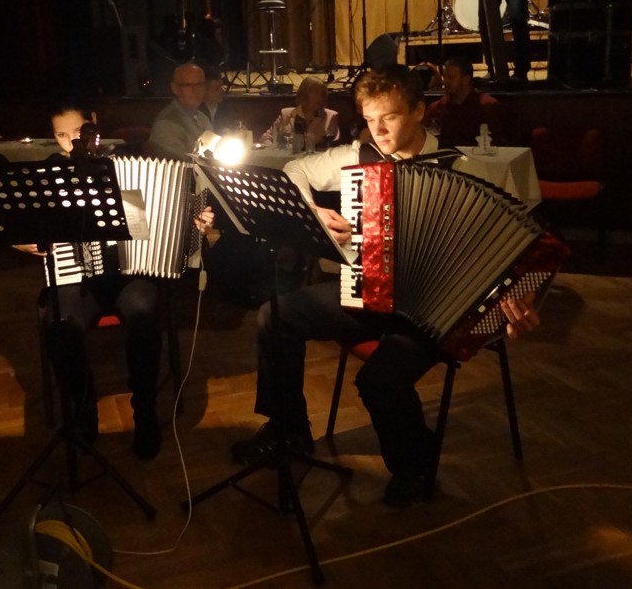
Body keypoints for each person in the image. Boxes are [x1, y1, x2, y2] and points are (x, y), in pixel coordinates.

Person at [230, 64, 540, 507]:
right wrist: (316, 211)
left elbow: (515, 247)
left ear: (418, 111)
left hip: (434, 313)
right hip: (368, 291)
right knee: (275, 316)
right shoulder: (358, 157)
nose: (377, 130)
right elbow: (295, 169)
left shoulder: (462, 167)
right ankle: (288, 428)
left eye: (389, 117)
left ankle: (415, 464)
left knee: (379, 379)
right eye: (369, 118)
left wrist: (518, 294)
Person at [13, 99, 214, 459]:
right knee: (60, 326)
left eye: (77, 131)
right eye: (61, 135)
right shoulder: (50, 173)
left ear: (93, 124)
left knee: (144, 310)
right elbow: (14, 223)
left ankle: (144, 409)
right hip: (73, 274)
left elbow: (174, 215)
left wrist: (196, 222)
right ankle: (83, 409)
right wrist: (22, 241)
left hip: (131, 270)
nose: (70, 142)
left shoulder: (127, 163)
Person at [423, 56, 507, 148]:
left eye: (450, 77)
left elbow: (498, 144)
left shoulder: (488, 107)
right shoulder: (436, 109)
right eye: (444, 77)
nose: (445, 82)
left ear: (466, 79)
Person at [147, 63, 213, 160]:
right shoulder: (166, 124)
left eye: (199, 84)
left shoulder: (203, 118)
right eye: (188, 85)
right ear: (175, 88)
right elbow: (180, 164)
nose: (195, 90)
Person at [258, 76, 340, 151]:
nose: (320, 97)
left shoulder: (331, 116)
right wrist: (274, 152)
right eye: (315, 93)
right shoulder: (286, 114)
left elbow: (333, 148)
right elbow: (266, 138)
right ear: (304, 94)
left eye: (322, 94)